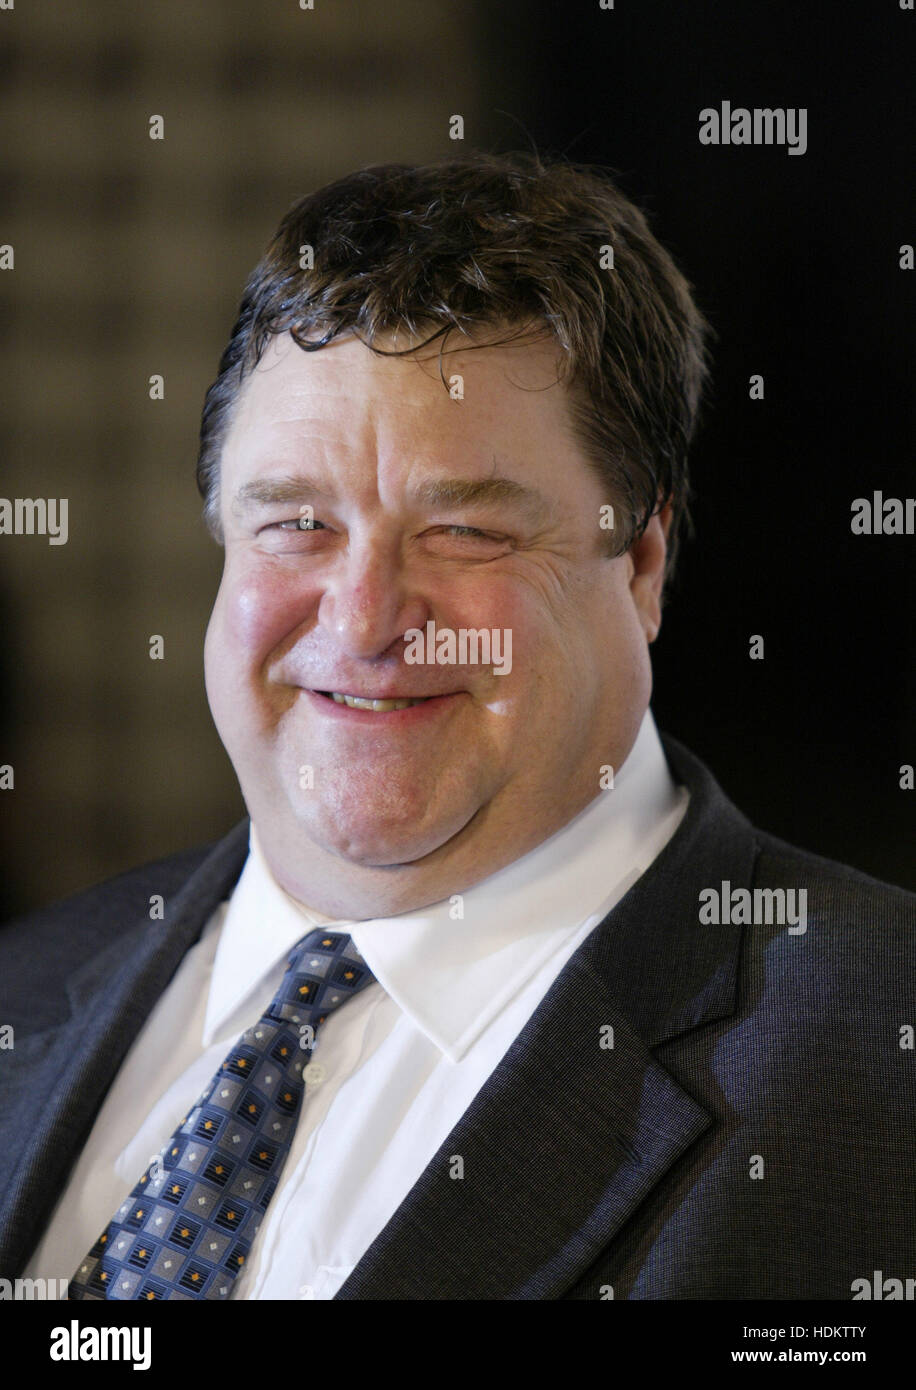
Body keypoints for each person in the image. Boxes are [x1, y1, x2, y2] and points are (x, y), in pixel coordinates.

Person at [1, 152, 913, 1301]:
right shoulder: (23, 991)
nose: (367, 618)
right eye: (294, 523)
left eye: (466, 533)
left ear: (640, 562)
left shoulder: (879, 1066)